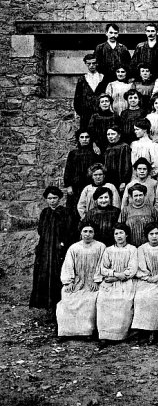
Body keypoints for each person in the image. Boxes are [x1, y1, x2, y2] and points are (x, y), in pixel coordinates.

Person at [56, 221, 106, 338]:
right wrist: (69, 282)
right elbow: (68, 265)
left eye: (90, 231)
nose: (87, 234)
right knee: (68, 298)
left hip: (92, 282)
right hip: (77, 282)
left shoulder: (100, 247)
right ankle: (66, 332)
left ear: (94, 233)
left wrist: (96, 280)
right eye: (85, 231)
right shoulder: (74, 247)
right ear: (80, 232)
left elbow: (102, 265)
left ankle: (87, 332)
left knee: (89, 300)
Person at [31, 186, 74, 315]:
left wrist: (62, 244)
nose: (52, 201)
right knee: (44, 274)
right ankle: (47, 306)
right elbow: (40, 230)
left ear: (60, 199)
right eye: (49, 198)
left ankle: (59, 304)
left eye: (55, 198)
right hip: (45, 248)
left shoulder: (65, 212)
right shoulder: (45, 213)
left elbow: (69, 231)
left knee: (57, 274)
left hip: (59, 249)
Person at [94, 223, 138, 347]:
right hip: (110, 281)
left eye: (121, 233)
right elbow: (103, 269)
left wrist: (118, 276)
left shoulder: (132, 249)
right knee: (103, 300)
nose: (119, 236)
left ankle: (120, 334)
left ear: (127, 234)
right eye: (116, 233)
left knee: (124, 301)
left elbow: (132, 269)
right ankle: (104, 335)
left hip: (126, 282)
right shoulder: (108, 250)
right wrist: (115, 275)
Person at [132, 222, 158, 344]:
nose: (154, 236)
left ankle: (155, 330)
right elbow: (141, 267)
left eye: (157, 233)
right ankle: (142, 330)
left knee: (156, 297)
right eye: (151, 234)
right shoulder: (142, 249)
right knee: (141, 297)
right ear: (146, 235)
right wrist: (149, 278)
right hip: (146, 279)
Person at [63, 130, 101, 220]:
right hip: (76, 186)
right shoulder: (73, 153)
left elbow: (98, 168)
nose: (84, 139)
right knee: (74, 209)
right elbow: (68, 169)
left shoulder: (94, 153)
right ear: (78, 139)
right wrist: (68, 185)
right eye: (82, 137)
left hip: (89, 184)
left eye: (87, 137)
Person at [74, 53, 107, 128]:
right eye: (89, 63)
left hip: (101, 113)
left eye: (94, 63)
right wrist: (81, 112)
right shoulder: (82, 79)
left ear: (97, 63)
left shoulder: (103, 78)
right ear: (85, 64)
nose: (91, 65)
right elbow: (77, 98)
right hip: (86, 113)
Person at [103, 124, 132, 195]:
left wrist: (124, 181)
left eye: (113, 134)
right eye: (108, 134)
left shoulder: (124, 146)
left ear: (119, 135)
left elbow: (127, 165)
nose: (110, 136)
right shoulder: (107, 148)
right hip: (108, 179)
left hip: (119, 180)